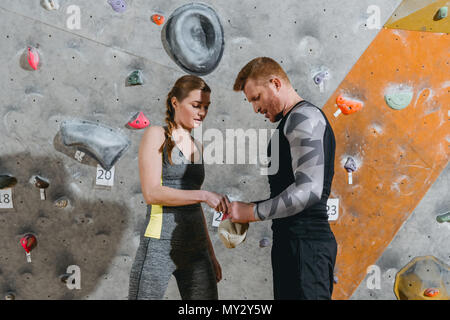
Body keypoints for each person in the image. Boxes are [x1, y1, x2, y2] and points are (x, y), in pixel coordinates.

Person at [229, 57, 338, 300]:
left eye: (256, 98)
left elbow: (309, 190)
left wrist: (252, 212)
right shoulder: (294, 120)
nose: (255, 109)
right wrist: (246, 209)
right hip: (294, 245)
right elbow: (289, 188)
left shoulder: (302, 118)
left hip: (305, 246)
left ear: (275, 83)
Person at [128, 75, 230, 300]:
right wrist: (204, 195)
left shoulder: (197, 146)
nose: (202, 112)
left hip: (197, 249)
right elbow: (152, 193)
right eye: (196, 105)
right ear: (175, 102)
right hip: (159, 246)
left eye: (206, 107)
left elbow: (194, 202)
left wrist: (211, 254)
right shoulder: (157, 135)